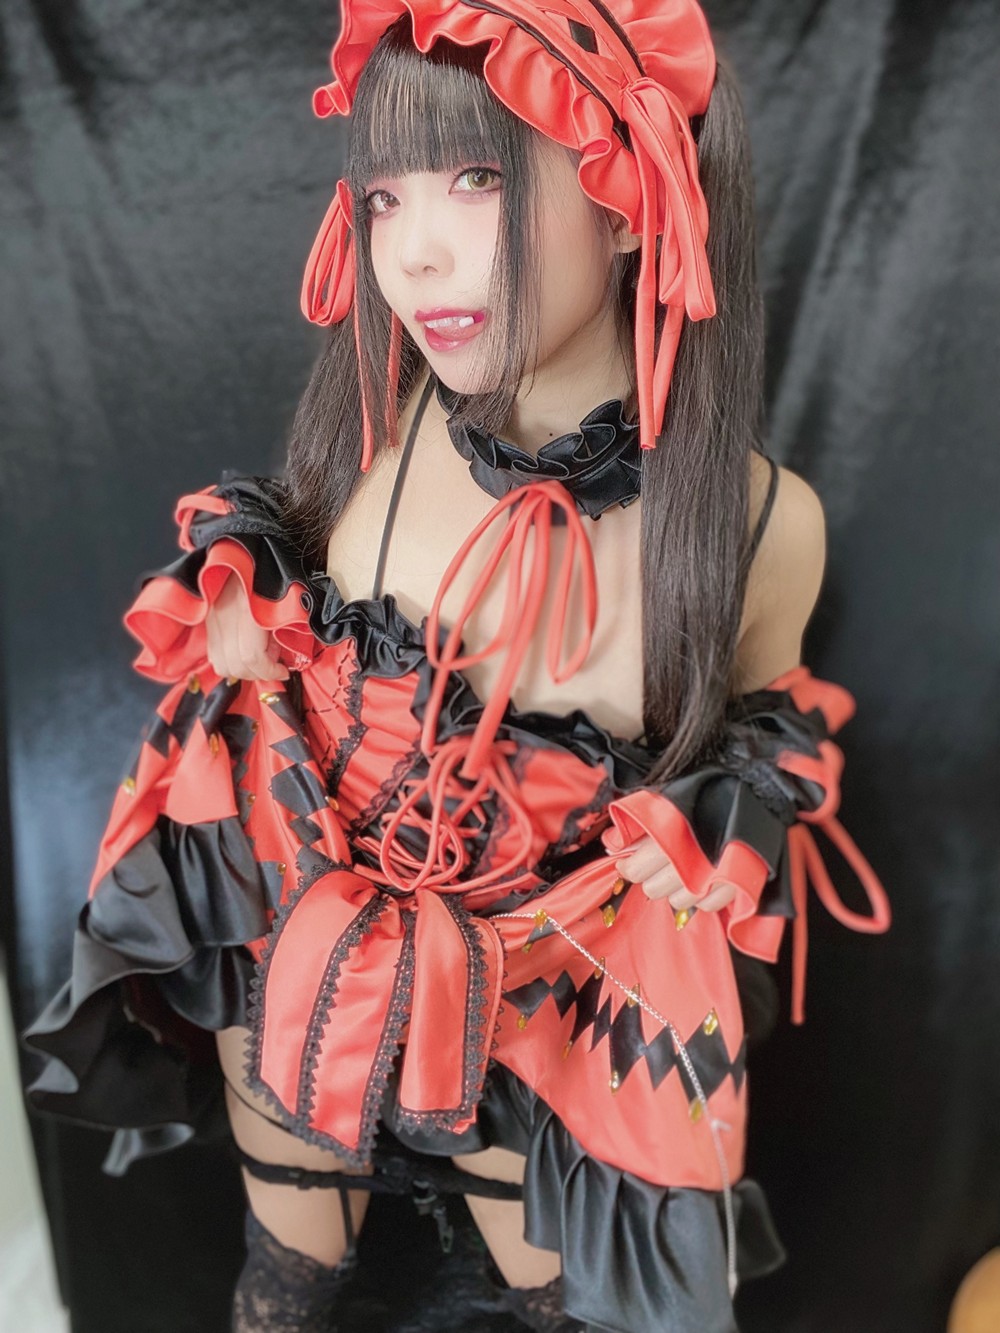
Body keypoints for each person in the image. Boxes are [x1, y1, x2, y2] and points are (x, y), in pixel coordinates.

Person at [21, 2, 892, 1330]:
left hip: (541, 1016)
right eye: (383, 197)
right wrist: (247, 608)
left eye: (479, 178)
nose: (414, 251)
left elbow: (779, 727)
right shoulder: (374, 431)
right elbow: (278, 581)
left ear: (629, 200)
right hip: (299, 941)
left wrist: (723, 814)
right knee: (283, 1279)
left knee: (564, 1305)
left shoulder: (763, 529)